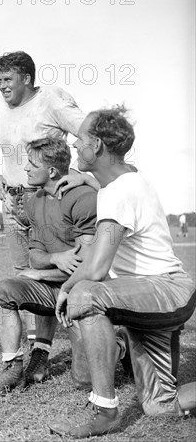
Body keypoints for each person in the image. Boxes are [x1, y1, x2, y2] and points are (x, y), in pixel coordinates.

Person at [50, 106, 196, 438]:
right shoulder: (127, 178)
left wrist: (67, 288)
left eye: (80, 138)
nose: (75, 145)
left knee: (86, 294)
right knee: (160, 406)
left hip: (163, 292)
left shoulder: (116, 193)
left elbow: (97, 268)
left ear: (98, 144)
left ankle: (106, 413)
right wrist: (85, 176)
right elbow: (116, 171)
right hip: (162, 298)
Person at [0, 51, 96, 346]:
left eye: (8, 79)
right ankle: (33, 347)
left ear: (27, 79)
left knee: (52, 271)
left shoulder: (51, 99)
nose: (2, 86)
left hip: (48, 198)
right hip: (14, 200)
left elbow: (90, 135)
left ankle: (45, 348)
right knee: (24, 275)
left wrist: (85, 176)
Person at [0, 137, 104, 395]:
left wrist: (40, 272)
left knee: (84, 380)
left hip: (81, 293)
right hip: (54, 289)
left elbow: (87, 266)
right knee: (3, 290)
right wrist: (54, 260)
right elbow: (35, 254)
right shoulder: (36, 199)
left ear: (51, 171)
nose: (25, 168)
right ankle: (13, 368)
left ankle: (120, 344)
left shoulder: (83, 197)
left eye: (32, 163)